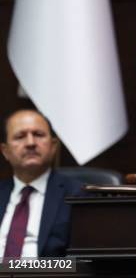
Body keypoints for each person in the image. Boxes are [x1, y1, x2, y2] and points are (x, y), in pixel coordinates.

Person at [0, 109, 85, 258]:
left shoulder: (79, 195)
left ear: (53, 146)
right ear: (5, 151)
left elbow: (82, 265)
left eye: (38, 135)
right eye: (20, 136)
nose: (30, 143)